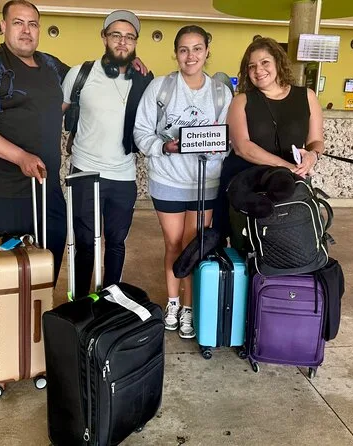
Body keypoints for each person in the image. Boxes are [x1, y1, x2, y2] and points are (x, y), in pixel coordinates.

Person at [134, 25, 233, 339]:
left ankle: (190, 307)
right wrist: (164, 147)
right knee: (173, 245)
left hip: (206, 182)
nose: (191, 56)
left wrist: (219, 147)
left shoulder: (221, 92)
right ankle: (173, 302)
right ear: (176, 53)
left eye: (197, 49)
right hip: (168, 180)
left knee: (195, 247)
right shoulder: (160, 88)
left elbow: (229, 138)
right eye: (184, 50)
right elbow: (141, 132)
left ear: (207, 51)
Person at [0, 0, 69, 281]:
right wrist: (21, 156)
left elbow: (85, 80)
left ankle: (40, 306)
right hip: (4, 191)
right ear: (3, 26)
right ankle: (16, 310)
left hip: (47, 187)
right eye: (18, 23)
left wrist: (126, 62)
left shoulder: (51, 65)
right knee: (13, 269)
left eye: (32, 24)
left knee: (50, 258)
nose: (26, 30)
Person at [61, 10, 154, 298]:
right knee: (85, 243)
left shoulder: (144, 81)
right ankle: (79, 302)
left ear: (135, 42)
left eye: (129, 37)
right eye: (116, 35)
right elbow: (56, 114)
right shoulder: (80, 74)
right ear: (104, 38)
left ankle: (110, 302)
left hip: (123, 175)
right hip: (85, 172)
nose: (123, 42)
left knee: (116, 243)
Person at [212, 36, 324, 244]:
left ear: (278, 63)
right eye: (252, 66)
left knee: (289, 241)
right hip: (247, 184)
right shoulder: (241, 101)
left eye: (265, 62)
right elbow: (243, 147)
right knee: (246, 244)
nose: (258, 70)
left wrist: (312, 156)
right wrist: (287, 167)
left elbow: (316, 141)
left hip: (288, 183)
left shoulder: (307, 96)